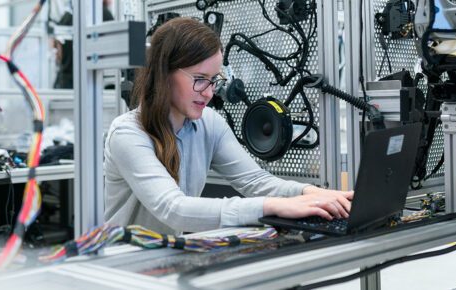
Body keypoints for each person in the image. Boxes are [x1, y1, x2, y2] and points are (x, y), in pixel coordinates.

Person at [103, 18, 352, 235]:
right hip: (125, 264)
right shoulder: (128, 133)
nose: (209, 92)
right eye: (200, 80)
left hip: (166, 257)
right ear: (164, 73)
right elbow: (174, 209)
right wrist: (271, 206)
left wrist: (313, 193)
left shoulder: (208, 123)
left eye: (214, 80)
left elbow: (256, 181)